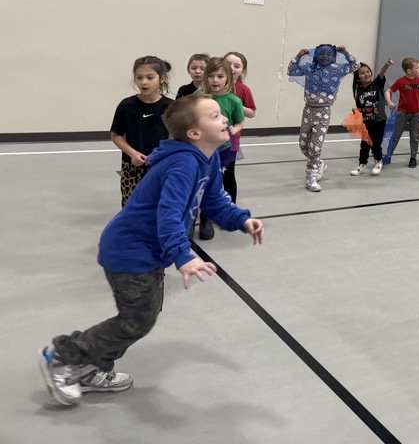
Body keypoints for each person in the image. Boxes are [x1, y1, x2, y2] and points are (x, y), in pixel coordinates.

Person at [38, 95, 265, 407]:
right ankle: (63, 356)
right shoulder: (184, 164)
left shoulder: (208, 158)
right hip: (130, 250)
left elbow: (214, 200)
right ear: (195, 133)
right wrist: (183, 255)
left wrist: (242, 220)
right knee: (136, 320)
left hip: (147, 251)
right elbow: (168, 215)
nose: (224, 118)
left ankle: (90, 365)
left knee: (143, 314)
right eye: (215, 115)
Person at [287, 44, 357, 191]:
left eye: (329, 54)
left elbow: (355, 65)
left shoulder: (337, 69)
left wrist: (345, 52)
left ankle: (311, 177)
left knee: (315, 147)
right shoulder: (310, 68)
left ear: (333, 57)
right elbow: (291, 70)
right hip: (308, 111)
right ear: (316, 55)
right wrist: (299, 56)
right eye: (321, 53)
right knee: (303, 145)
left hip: (324, 112)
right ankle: (318, 163)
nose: (325, 56)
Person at [111, 56, 174, 206]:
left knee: (161, 207)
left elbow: (178, 138)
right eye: (139, 78)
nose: (144, 82)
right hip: (133, 167)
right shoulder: (126, 106)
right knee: (132, 207)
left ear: (161, 78)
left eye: (150, 77)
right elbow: (116, 135)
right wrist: (132, 153)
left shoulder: (171, 107)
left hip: (161, 165)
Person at [194, 57, 245, 239]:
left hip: (225, 148)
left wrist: (235, 129)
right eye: (211, 76)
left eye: (220, 76)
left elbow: (240, 122)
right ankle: (195, 217)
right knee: (199, 181)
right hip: (202, 149)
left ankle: (218, 215)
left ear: (228, 79)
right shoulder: (197, 96)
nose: (215, 80)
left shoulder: (234, 101)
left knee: (222, 180)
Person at [385, 57, 419, 168]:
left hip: (416, 113)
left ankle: (413, 157)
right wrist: (390, 102)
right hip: (402, 112)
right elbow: (388, 91)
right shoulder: (401, 81)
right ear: (409, 71)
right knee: (396, 135)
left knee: (414, 136)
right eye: (417, 67)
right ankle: (388, 155)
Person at [351, 58, 393, 176]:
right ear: (358, 78)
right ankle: (362, 164)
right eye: (362, 73)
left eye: (368, 71)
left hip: (379, 120)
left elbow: (381, 73)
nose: (366, 74)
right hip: (366, 122)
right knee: (364, 144)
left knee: (375, 143)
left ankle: (378, 161)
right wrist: (356, 111)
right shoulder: (359, 94)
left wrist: (386, 64)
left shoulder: (376, 84)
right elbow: (361, 109)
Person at [224, 51, 257, 119]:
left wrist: (237, 105)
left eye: (236, 66)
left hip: (233, 128)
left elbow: (252, 113)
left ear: (243, 72)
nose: (231, 68)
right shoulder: (213, 85)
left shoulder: (244, 89)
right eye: (228, 64)